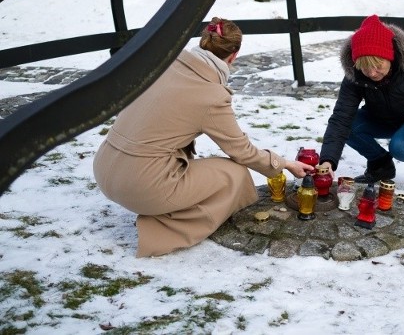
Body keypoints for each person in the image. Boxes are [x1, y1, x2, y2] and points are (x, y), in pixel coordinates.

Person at [93, 17, 314, 257]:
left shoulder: (164, 65)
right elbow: (242, 152)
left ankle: (160, 204)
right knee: (235, 174)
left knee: (204, 169)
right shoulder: (212, 95)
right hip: (139, 184)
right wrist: (284, 164)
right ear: (233, 56)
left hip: (105, 168)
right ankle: (160, 228)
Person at [317, 15, 404, 192]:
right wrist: (327, 160)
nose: (372, 73)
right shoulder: (355, 74)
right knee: (348, 126)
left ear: (389, 56)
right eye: (365, 67)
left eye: (377, 65)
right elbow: (340, 118)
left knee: (400, 147)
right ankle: (381, 165)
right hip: (382, 119)